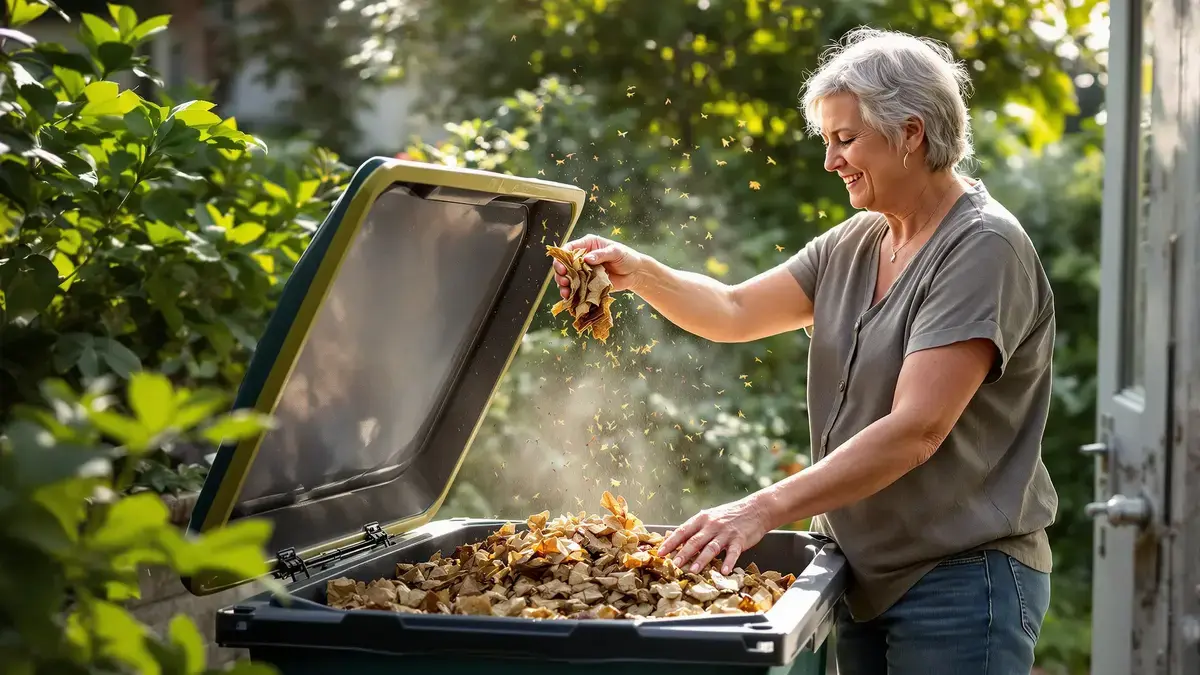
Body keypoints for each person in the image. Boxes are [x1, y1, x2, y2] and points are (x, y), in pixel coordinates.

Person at [552, 27, 1058, 675]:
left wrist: (762, 506)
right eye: (827, 141)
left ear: (910, 132)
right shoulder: (857, 241)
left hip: (959, 581)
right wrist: (638, 272)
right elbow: (734, 311)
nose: (831, 160)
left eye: (845, 139)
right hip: (862, 575)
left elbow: (916, 430)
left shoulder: (982, 247)